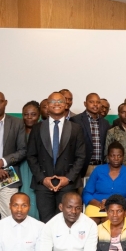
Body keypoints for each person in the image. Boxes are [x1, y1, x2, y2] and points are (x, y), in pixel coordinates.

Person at [27, 92, 87, 222]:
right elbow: (31, 156)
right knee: (46, 222)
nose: (56, 104)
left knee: (66, 221)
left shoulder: (76, 128)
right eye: (53, 102)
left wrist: (68, 178)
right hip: (43, 183)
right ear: (47, 106)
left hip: (67, 183)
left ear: (66, 105)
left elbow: (81, 157)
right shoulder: (37, 128)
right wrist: (42, 179)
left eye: (60, 101)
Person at [83, 142, 126, 217]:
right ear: (108, 156)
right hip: (96, 205)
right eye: (113, 156)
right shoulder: (98, 170)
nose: (116, 159)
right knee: (91, 222)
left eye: (119, 156)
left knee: (109, 220)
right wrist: (99, 204)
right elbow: (86, 193)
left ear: (123, 157)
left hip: (118, 208)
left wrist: (114, 202)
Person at [18, 101, 42, 218]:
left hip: (37, 169)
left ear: (39, 115)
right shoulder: (18, 131)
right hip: (20, 168)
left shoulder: (43, 131)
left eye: (33, 114)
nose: (29, 117)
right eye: (26, 114)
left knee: (35, 198)